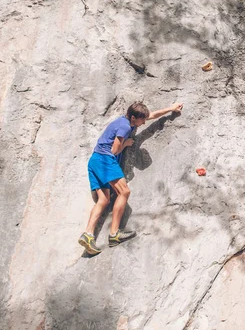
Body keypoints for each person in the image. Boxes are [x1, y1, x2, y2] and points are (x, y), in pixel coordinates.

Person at [78, 101, 183, 255]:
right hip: (105, 160)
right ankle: (114, 235)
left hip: (94, 160)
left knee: (103, 200)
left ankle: (88, 234)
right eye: (142, 120)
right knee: (124, 192)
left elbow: (152, 115)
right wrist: (126, 143)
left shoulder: (126, 121)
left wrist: (170, 109)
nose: (144, 122)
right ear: (134, 118)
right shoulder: (125, 126)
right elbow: (114, 150)